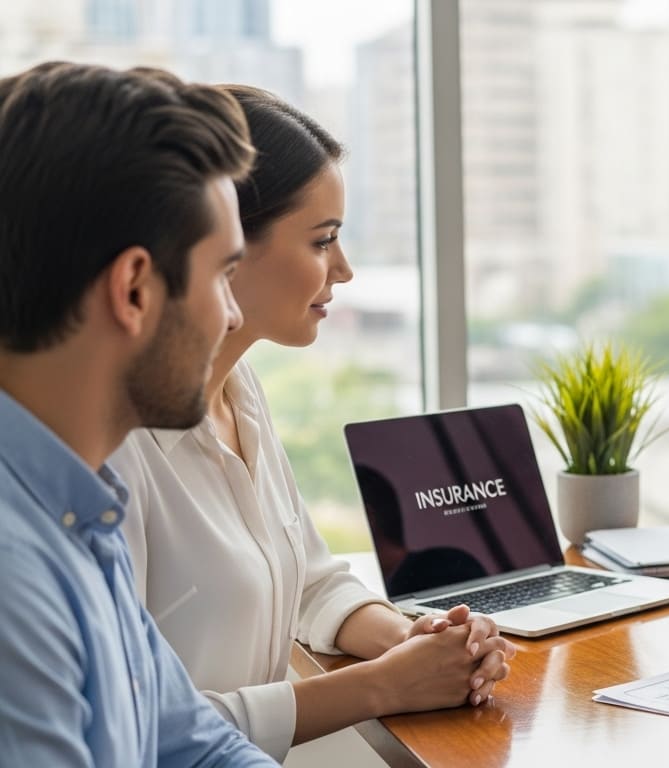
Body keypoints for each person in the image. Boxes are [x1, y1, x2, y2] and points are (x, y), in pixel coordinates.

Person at [106, 85, 514, 760]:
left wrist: (418, 642)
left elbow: (311, 581)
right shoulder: (110, 446)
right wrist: (381, 688)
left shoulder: (240, 389)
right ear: (224, 244)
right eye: (322, 241)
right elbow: (142, 729)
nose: (344, 270)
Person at [0, 61, 276, 765]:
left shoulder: (82, 511)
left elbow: (188, 740)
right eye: (223, 275)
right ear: (134, 291)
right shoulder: (14, 576)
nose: (235, 314)